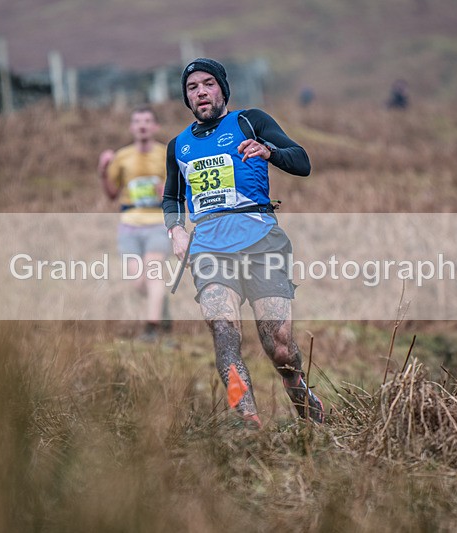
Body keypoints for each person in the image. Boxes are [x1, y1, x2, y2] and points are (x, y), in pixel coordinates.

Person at [162, 58, 324, 427]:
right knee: (224, 334)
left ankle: (299, 392)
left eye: (208, 83)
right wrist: (176, 230)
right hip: (209, 249)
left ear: (222, 88)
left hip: (261, 242)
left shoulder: (251, 121)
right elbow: (171, 197)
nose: (201, 92)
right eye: (192, 88)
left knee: (279, 346)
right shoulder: (178, 146)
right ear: (187, 98)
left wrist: (269, 152)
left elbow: (302, 162)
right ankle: (247, 420)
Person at [99, 105, 171, 342]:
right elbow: (112, 194)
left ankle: (152, 328)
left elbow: (179, 188)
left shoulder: (166, 154)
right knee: (138, 282)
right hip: (129, 225)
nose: (142, 125)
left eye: (147, 121)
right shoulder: (122, 157)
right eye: (138, 121)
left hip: (157, 222)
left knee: (153, 271)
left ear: (155, 126)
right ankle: (161, 304)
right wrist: (103, 172)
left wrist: (167, 191)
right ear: (131, 127)